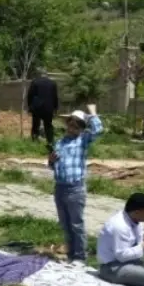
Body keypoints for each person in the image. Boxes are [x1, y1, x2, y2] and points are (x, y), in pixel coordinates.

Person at [48, 108, 104, 265]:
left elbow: (98, 130)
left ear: (81, 128)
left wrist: (91, 114)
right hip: (60, 187)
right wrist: (51, 160)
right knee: (65, 223)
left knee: (76, 224)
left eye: (77, 126)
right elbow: (53, 166)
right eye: (71, 125)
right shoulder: (60, 142)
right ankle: (71, 253)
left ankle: (80, 256)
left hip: (75, 188)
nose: (73, 129)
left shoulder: (83, 140)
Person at [26, 70, 59, 147]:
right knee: (48, 125)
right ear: (47, 75)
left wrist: (30, 107)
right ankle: (50, 142)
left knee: (35, 125)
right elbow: (55, 97)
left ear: (39, 75)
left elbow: (30, 95)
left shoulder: (35, 82)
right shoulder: (52, 83)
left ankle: (35, 142)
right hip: (48, 108)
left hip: (37, 107)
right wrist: (55, 108)